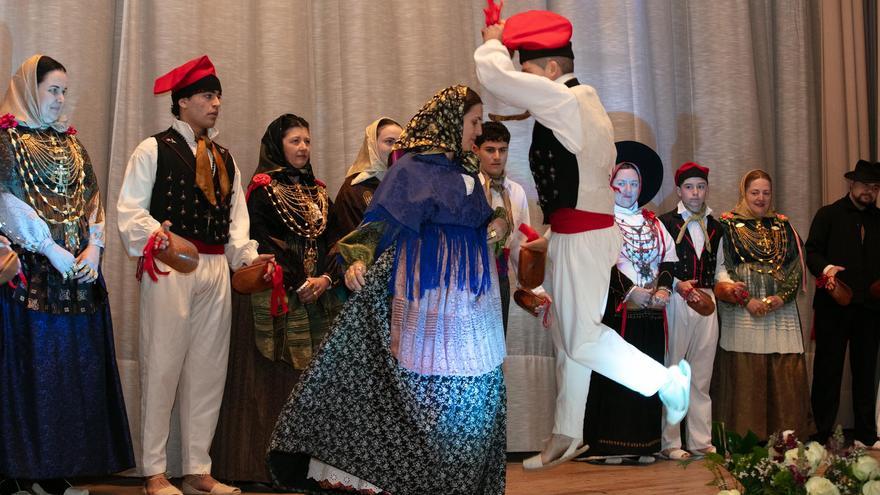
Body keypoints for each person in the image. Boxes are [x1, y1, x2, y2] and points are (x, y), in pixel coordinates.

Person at [474, 10, 691, 469]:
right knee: (571, 341)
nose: (527, 83)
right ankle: (567, 431)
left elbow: (494, 76)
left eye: (530, 71)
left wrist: (494, 42)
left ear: (552, 69)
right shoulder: (579, 105)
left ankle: (665, 381)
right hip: (579, 234)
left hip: (584, 236)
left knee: (582, 340)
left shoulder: (568, 101)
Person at [267, 85, 507, 494]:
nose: (478, 131)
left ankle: (461, 482)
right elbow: (375, 226)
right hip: (423, 294)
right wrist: (356, 258)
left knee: (471, 399)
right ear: (451, 122)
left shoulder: (469, 174)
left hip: (467, 303)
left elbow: (489, 220)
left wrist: (499, 225)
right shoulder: (410, 169)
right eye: (473, 122)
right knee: (421, 400)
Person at [117, 55, 271, 495]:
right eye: (207, 95)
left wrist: (247, 258)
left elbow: (237, 220)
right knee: (162, 365)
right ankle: (153, 470)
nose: (216, 102)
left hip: (215, 267)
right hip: (170, 264)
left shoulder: (225, 158)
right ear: (182, 102)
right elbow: (130, 209)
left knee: (208, 370)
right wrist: (157, 236)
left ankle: (198, 469)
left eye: (218, 95)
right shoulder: (153, 149)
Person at [0, 54, 134, 495]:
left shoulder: (71, 144)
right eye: (52, 90)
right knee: (33, 373)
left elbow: (92, 199)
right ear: (29, 90)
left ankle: (58, 471)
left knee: (71, 373)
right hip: (32, 279)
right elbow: (7, 202)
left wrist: (94, 248)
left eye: (63, 91)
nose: (60, 100)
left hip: (78, 279)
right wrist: (50, 249)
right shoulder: (7, 140)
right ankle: (24, 471)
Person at [581, 144, 676, 462]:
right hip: (618, 310)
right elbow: (601, 264)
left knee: (648, 371)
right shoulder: (604, 222)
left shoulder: (653, 223)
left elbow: (669, 263)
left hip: (651, 313)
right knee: (617, 373)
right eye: (621, 183)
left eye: (633, 183)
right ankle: (609, 444)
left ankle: (645, 444)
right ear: (611, 185)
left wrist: (662, 291)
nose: (627, 189)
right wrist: (630, 291)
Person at [712, 169, 814, 440]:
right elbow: (721, 268)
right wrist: (746, 300)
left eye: (766, 193)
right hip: (744, 310)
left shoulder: (784, 226)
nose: (761, 198)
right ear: (744, 193)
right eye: (754, 192)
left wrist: (781, 297)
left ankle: (786, 436)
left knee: (783, 369)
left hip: (780, 309)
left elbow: (796, 266)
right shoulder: (727, 226)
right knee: (747, 372)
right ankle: (744, 437)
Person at [805, 159, 880, 447]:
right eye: (864, 185)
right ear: (851, 184)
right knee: (828, 370)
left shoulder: (879, 220)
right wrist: (827, 271)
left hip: (870, 309)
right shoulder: (828, 215)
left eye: (874, 188)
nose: (869, 192)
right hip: (833, 306)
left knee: (865, 370)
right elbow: (812, 252)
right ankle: (821, 434)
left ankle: (865, 434)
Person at [658, 162, 722, 459]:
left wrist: (726, 286)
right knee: (674, 370)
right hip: (676, 298)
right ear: (678, 190)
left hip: (706, 300)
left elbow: (720, 267)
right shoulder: (665, 222)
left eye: (700, 186)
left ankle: (700, 440)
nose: (695, 192)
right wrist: (677, 284)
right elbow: (657, 266)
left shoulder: (717, 226)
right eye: (689, 187)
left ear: (707, 189)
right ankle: (670, 442)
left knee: (701, 374)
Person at [474, 120, 543, 332]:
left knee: (497, 345)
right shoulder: (467, 186)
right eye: (490, 150)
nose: (497, 157)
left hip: (501, 278)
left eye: (502, 150)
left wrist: (533, 289)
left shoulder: (516, 192)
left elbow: (520, 245)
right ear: (476, 150)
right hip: (469, 280)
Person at [327, 117, 402, 240]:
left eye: (400, 142)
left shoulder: (406, 184)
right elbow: (352, 242)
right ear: (372, 145)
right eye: (389, 142)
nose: (396, 148)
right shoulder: (354, 189)